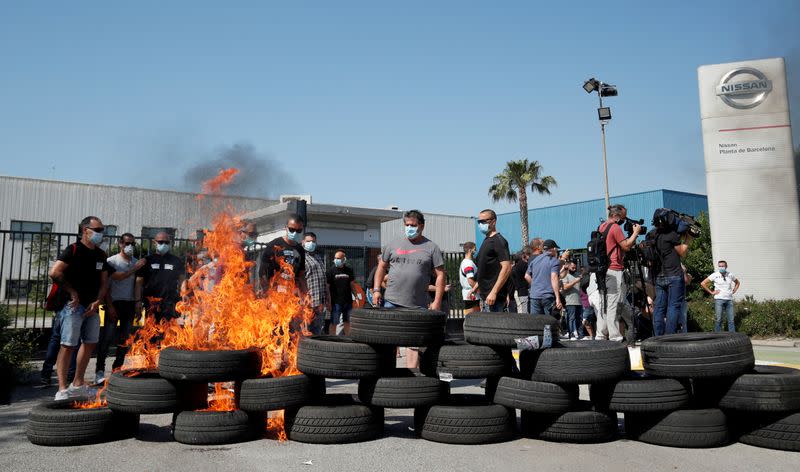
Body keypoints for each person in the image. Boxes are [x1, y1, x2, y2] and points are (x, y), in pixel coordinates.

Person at [49, 216, 113, 400]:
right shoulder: (73, 250)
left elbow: (104, 282)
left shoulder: (101, 255)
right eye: (98, 229)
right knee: (68, 344)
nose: (102, 233)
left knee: (90, 343)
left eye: (102, 229)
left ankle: (77, 383)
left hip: (92, 307)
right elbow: (54, 272)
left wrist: (99, 300)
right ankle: (62, 389)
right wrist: (72, 292)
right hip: (72, 307)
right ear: (86, 230)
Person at [372, 210, 445, 369]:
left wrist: (437, 301)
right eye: (407, 225)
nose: (409, 228)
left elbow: (440, 275)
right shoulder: (393, 244)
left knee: (413, 344)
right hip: (391, 301)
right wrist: (377, 290)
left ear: (422, 226)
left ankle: (411, 380)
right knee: (389, 341)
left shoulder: (431, 247)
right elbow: (381, 267)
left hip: (417, 304)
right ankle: (389, 376)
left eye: (413, 225)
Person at [95, 233, 146, 384]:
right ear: (120, 244)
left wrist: (138, 304)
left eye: (132, 244)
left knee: (124, 339)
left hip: (129, 304)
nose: (128, 246)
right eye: (126, 243)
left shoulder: (136, 262)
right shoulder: (112, 261)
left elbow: (138, 284)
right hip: (114, 302)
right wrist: (109, 305)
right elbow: (111, 282)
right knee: (106, 338)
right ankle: (99, 371)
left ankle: (117, 369)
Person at [588, 204, 642, 342]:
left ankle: (601, 334)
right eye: (623, 217)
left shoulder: (601, 227)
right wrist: (635, 233)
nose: (624, 220)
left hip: (602, 271)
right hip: (614, 269)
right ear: (616, 216)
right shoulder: (615, 227)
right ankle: (615, 336)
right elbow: (626, 246)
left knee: (603, 303)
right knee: (613, 303)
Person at [650, 217, 692, 336]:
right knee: (673, 306)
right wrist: (688, 238)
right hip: (673, 275)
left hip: (659, 276)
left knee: (659, 307)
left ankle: (658, 335)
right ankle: (670, 335)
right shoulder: (671, 235)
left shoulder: (655, 235)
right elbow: (682, 252)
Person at [135, 231, 185, 322]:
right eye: (161, 242)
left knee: (169, 332)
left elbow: (182, 282)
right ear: (154, 243)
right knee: (150, 332)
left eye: (166, 242)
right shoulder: (147, 260)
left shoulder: (176, 261)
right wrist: (138, 301)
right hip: (151, 303)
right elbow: (138, 283)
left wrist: (183, 297)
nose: (164, 244)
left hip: (170, 303)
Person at [259, 214, 307, 294]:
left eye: (298, 231)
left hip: (292, 293)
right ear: (286, 228)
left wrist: (305, 293)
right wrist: (267, 291)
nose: (295, 233)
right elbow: (262, 272)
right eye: (292, 229)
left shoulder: (300, 250)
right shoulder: (274, 245)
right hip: (275, 292)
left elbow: (301, 275)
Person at [474, 209, 512, 312]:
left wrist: (494, 292)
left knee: (495, 327)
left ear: (493, 221)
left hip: (494, 300)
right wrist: (476, 287)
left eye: (483, 221)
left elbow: (507, 268)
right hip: (485, 297)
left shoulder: (499, 241)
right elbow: (486, 268)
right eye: (479, 222)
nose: (480, 224)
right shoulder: (486, 241)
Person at [700, 260, 741, 332]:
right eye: (720, 266)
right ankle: (717, 336)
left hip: (729, 300)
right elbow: (703, 283)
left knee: (731, 320)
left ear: (726, 266)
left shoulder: (730, 275)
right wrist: (711, 292)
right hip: (719, 300)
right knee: (718, 319)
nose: (721, 267)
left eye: (723, 266)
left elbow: (737, 282)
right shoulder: (715, 275)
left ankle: (732, 336)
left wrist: (734, 290)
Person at [525, 240, 563, 316]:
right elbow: (554, 278)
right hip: (547, 296)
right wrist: (558, 298)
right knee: (549, 323)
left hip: (535, 296)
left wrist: (535, 285)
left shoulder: (535, 260)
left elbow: (526, 276)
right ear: (553, 249)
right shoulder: (554, 261)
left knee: (536, 323)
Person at [326, 249, 357, 335]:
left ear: (344, 259)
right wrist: (328, 301)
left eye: (339, 258)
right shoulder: (330, 271)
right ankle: (332, 340)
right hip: (336, 302)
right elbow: (327, 287)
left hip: (348, 301)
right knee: (334, 322)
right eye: (335, 258)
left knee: (347, 322)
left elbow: (352, 284)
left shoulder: (349, 270)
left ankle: (348, 339)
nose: (336, 260)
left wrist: (356, 296)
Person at [302, 232, 327, 335]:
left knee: (317, 330)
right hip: (308, 302)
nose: (311, 243)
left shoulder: (318, 257)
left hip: (320, 302)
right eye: (308, 241)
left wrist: (328, 299)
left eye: (313, 241)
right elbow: (299, 280)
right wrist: (304, 298)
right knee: (306, 331)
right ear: (303, 242)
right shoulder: (301, 258)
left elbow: (324, 280)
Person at [560, 261, 583, 339]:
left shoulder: (577, 275)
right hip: (570, 301)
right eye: (572, 267)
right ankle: (571, 334)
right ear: (568, 267)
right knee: (571, 318)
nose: (574, 269)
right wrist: (575, 281)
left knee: (579, 319)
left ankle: (581, 335)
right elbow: (565, 287)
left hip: (578, 301)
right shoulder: (565, 275)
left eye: (575, 267)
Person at [459, 242, 480, 314]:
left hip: (470, 294)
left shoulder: (466, 262)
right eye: (475, 249)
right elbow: (470, 281)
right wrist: (478, 290)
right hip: (472, 295)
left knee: (471, 318)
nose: (476, 251)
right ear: (470, 250)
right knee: (472, 319)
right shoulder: (468, 263)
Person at [511, 247, 532, 314]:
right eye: (529, 255)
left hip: (520, 291)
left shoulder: (517, 266)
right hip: (523, 292)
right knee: (524, 313)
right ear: (525, 255)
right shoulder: (523, 265)